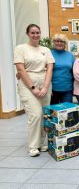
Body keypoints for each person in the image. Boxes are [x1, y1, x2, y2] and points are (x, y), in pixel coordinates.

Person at [14, 24, 55, 157]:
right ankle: (33, 145)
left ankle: (42, 143)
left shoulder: (45, 49)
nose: (35, 35)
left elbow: (49, 68)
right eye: (32, 33)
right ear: (27, 34)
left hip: (44, 83)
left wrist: (45, 87)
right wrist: (33, 88)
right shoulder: (21, 48)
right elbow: (20, 70)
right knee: (35, 115)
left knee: (44, 115)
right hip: (27, 84)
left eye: (38, 32)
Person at [50, 34, 75, 104]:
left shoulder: (70, 55)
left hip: (68, 89)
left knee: (67, 112)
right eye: (57, 41)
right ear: (54, 42)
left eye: (62, 41)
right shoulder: (49, 53)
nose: (59, 43)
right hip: (52, 89)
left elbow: (74, 72)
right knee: (53, 113)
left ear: (65, 43)